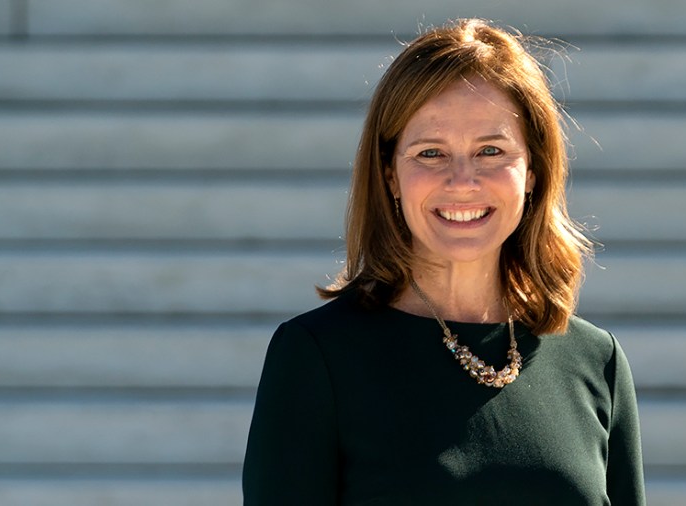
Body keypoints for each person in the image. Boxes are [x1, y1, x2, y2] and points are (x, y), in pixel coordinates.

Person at [243, 18, 645, 505]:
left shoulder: (595, 361)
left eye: (491, 151)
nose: (462, 180)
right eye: (431, 153)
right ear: (390, 174)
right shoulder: (316, 358)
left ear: (533, 172)